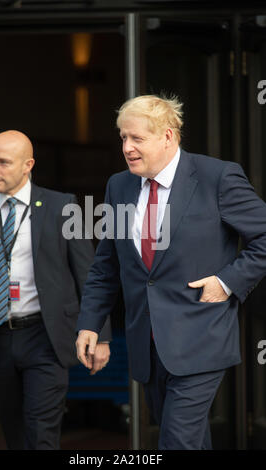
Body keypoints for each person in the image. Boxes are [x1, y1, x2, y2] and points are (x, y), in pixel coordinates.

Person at [76, 94, 266, 450]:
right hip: (147, 345)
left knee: (176, 442)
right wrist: (90, 323)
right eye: (123, 138)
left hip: (200, 336)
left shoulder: (217, 177)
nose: (127, 147)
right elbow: (107, 265)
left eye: (137, 138)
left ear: (168, 136)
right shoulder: (119, 186)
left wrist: (227, 282)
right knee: (188, 440)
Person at [0, 130, 111, 450]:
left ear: (27, 164)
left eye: (3, 162)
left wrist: (99, 334)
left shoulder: (62, 206)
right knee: (13, 429)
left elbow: (89, 275)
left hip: (45, 336)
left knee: (41, 430)